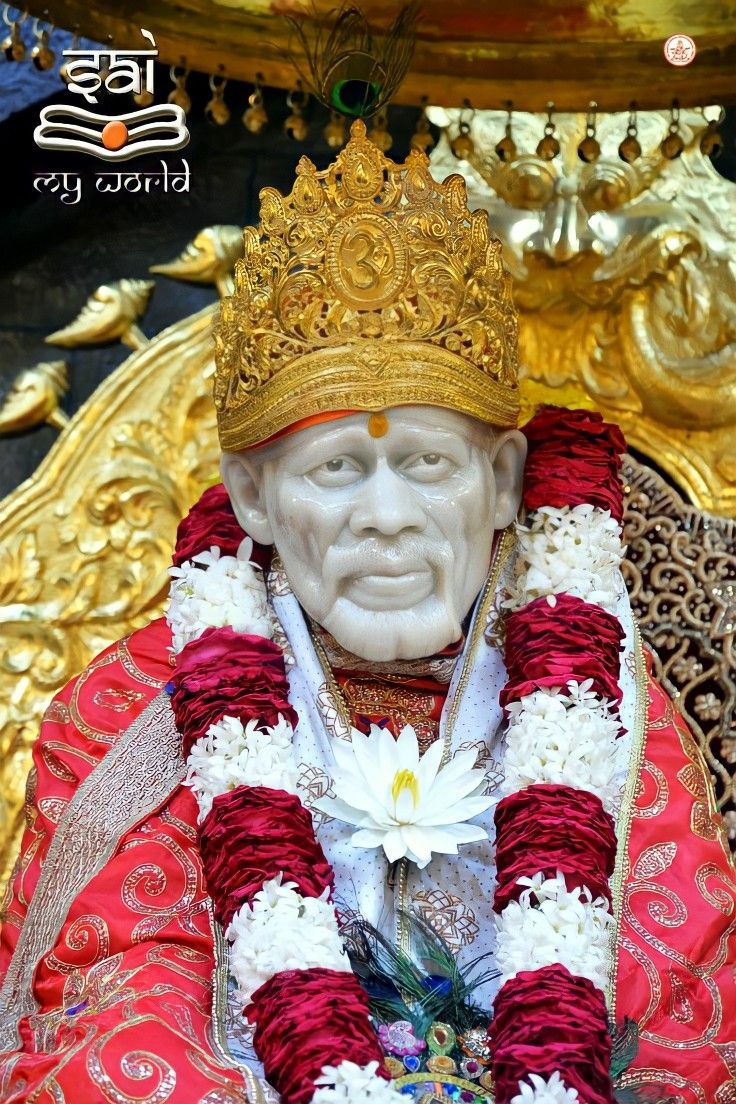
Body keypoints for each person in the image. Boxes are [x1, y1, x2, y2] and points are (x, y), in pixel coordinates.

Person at [0, 121, 734, 1104]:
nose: (386, 520)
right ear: (254, 498)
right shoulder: (130, 715)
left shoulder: (606, 710)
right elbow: (112, 1027)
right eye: (337, 470)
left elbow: (685, 1030)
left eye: (427, 465)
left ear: (504, 481)